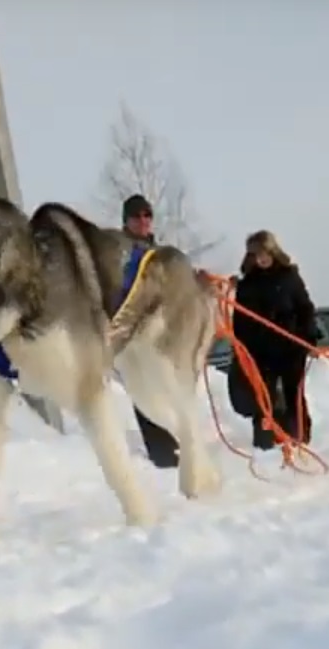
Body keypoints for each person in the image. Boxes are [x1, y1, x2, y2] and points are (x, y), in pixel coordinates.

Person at [231, 230, 320, 449]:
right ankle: (264, 443)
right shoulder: (247, 284)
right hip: (262, 351)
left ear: (273, 252)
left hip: (291, 346)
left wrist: (308, 336)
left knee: (293, 394)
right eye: (256, 254)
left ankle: (301, 439)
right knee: (264, 397)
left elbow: (305, 308)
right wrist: (243, 348)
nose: (261, 258)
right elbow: (240, 321)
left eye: (264, 253)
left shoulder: (289, 276)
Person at [119, 194, 181, 468]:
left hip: (161, 329)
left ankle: (175, 443)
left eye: (147, 216)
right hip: (133, 331)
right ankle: (161, 452)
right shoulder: (119, 253)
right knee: (143, 387)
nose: (143, 222)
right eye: (136, 217)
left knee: (166, 386)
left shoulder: (159, 253)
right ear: (127, 221)